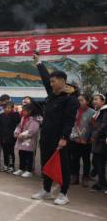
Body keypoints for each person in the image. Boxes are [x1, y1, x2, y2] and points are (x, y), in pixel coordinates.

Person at [31, 53, 78, 205]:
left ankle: (64, 193)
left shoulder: (71, 100)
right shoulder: (52, 95)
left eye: (53, 81)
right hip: (46, 137)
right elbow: (45, 77)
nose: (50, 84)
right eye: (50, 81)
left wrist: (64, 138)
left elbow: (69, 121)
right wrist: (39, 63)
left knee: (62, 165)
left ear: (63, 81)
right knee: (46, 164)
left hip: (60, 139)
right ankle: (46, 190)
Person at [70, 94, 94, 187]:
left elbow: (94, 127)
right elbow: (71, 124)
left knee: (86, 160)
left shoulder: (92, 113)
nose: (79, 102)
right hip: (74, 140)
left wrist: (88, 139)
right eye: (78, 100)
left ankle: (85, 178)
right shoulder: (74, 111)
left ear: (87, 102)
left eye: (81, 100)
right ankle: (75, 177)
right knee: (74, 159)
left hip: (85, 141)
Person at [14, 103, 41, 178]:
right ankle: (21, 168)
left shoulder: (35, 120)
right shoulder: (23, 118)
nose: (23, 112)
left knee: (29, 155)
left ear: (30, 111)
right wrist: (16, 132)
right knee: (21, 154)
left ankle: (29, 170)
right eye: (22, 110)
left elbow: (32, 130)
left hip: (29, 141)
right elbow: (19, 126)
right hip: (21, 139)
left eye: (25, 111)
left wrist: (21, 135)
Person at [0, 102, 21, 173]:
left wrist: (16, 111)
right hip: (3, 136)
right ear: (3, 108)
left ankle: (12, 166)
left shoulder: (15, 115)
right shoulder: (0, 116)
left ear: (12, 108)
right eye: (6, 108)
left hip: (11, 137)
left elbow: (18, 120)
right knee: (5, 152)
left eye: (9, 108)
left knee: (11, 152)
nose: (7, 109)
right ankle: (6, 165)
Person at [90, 94, 107, 192]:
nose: (94, 101)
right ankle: (101, 182)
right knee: (98, 162)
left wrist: (95, 135)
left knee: (100, 163)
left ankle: (102, 184)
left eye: (96, 99)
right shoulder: (99, 112)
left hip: (101, 141)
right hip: (98, 141)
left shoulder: (105, 111)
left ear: (103, 101)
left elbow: (104, 125)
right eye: (93, 99)